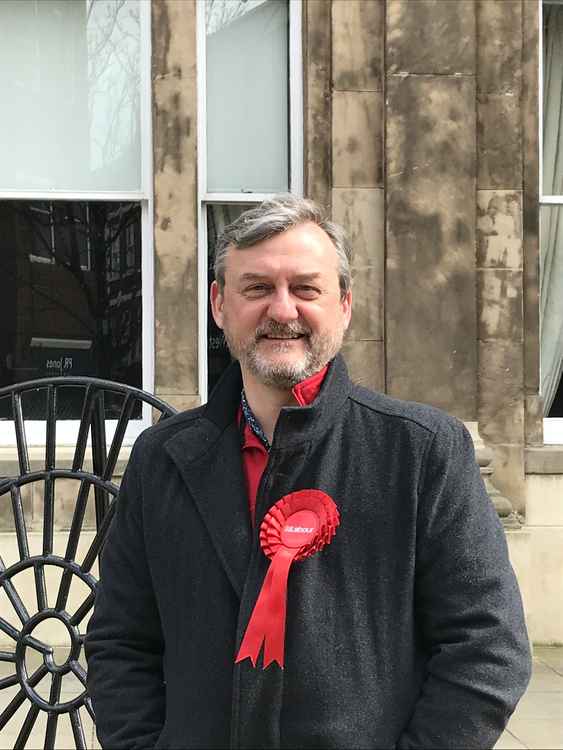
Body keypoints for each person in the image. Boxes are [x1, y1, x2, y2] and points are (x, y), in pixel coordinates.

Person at [86, 194, 531, 750]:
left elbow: (488, 648)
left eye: (305, 288)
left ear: (343, 305)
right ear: (219, 304)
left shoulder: (423, 452)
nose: (282, 310)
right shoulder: (161, 459)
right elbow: (120, 642)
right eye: (257, 288)